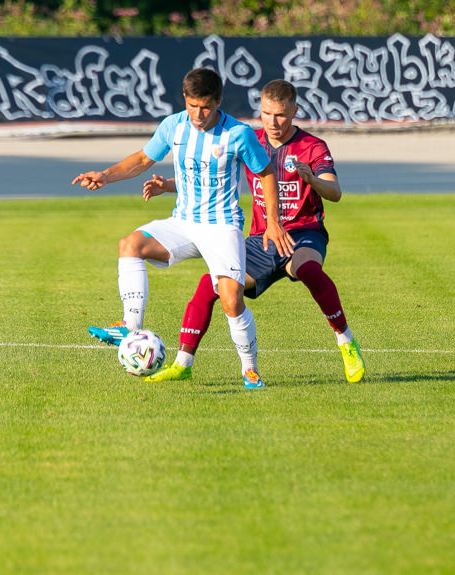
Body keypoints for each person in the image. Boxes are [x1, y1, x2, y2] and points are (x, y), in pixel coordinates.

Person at [73, 68, 294, 389]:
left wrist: (273, 222)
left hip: (222, 226)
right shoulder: (173, 126)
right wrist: (105, 175)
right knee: (130, 244)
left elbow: (266, 173)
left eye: (205, 107)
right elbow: (141, 159)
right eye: (192, 105)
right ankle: (129, 326)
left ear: (218, 102)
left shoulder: (239, 134)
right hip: (183, 222)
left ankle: (250, 370)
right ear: (185, 100)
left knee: (231, 299)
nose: (198, 114)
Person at [138, 79, 365, 384]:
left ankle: (346, 343)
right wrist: (169, 185)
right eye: (267, 113)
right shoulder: (247, 138)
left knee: (308, 269)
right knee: (212, 285)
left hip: (303, 233)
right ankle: (183, 363)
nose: (273, 122)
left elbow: (335, 192)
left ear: (294, 111)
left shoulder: (312, 147)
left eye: (281, 114)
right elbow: (212, 174)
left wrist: (311, 179)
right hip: (261, 239)